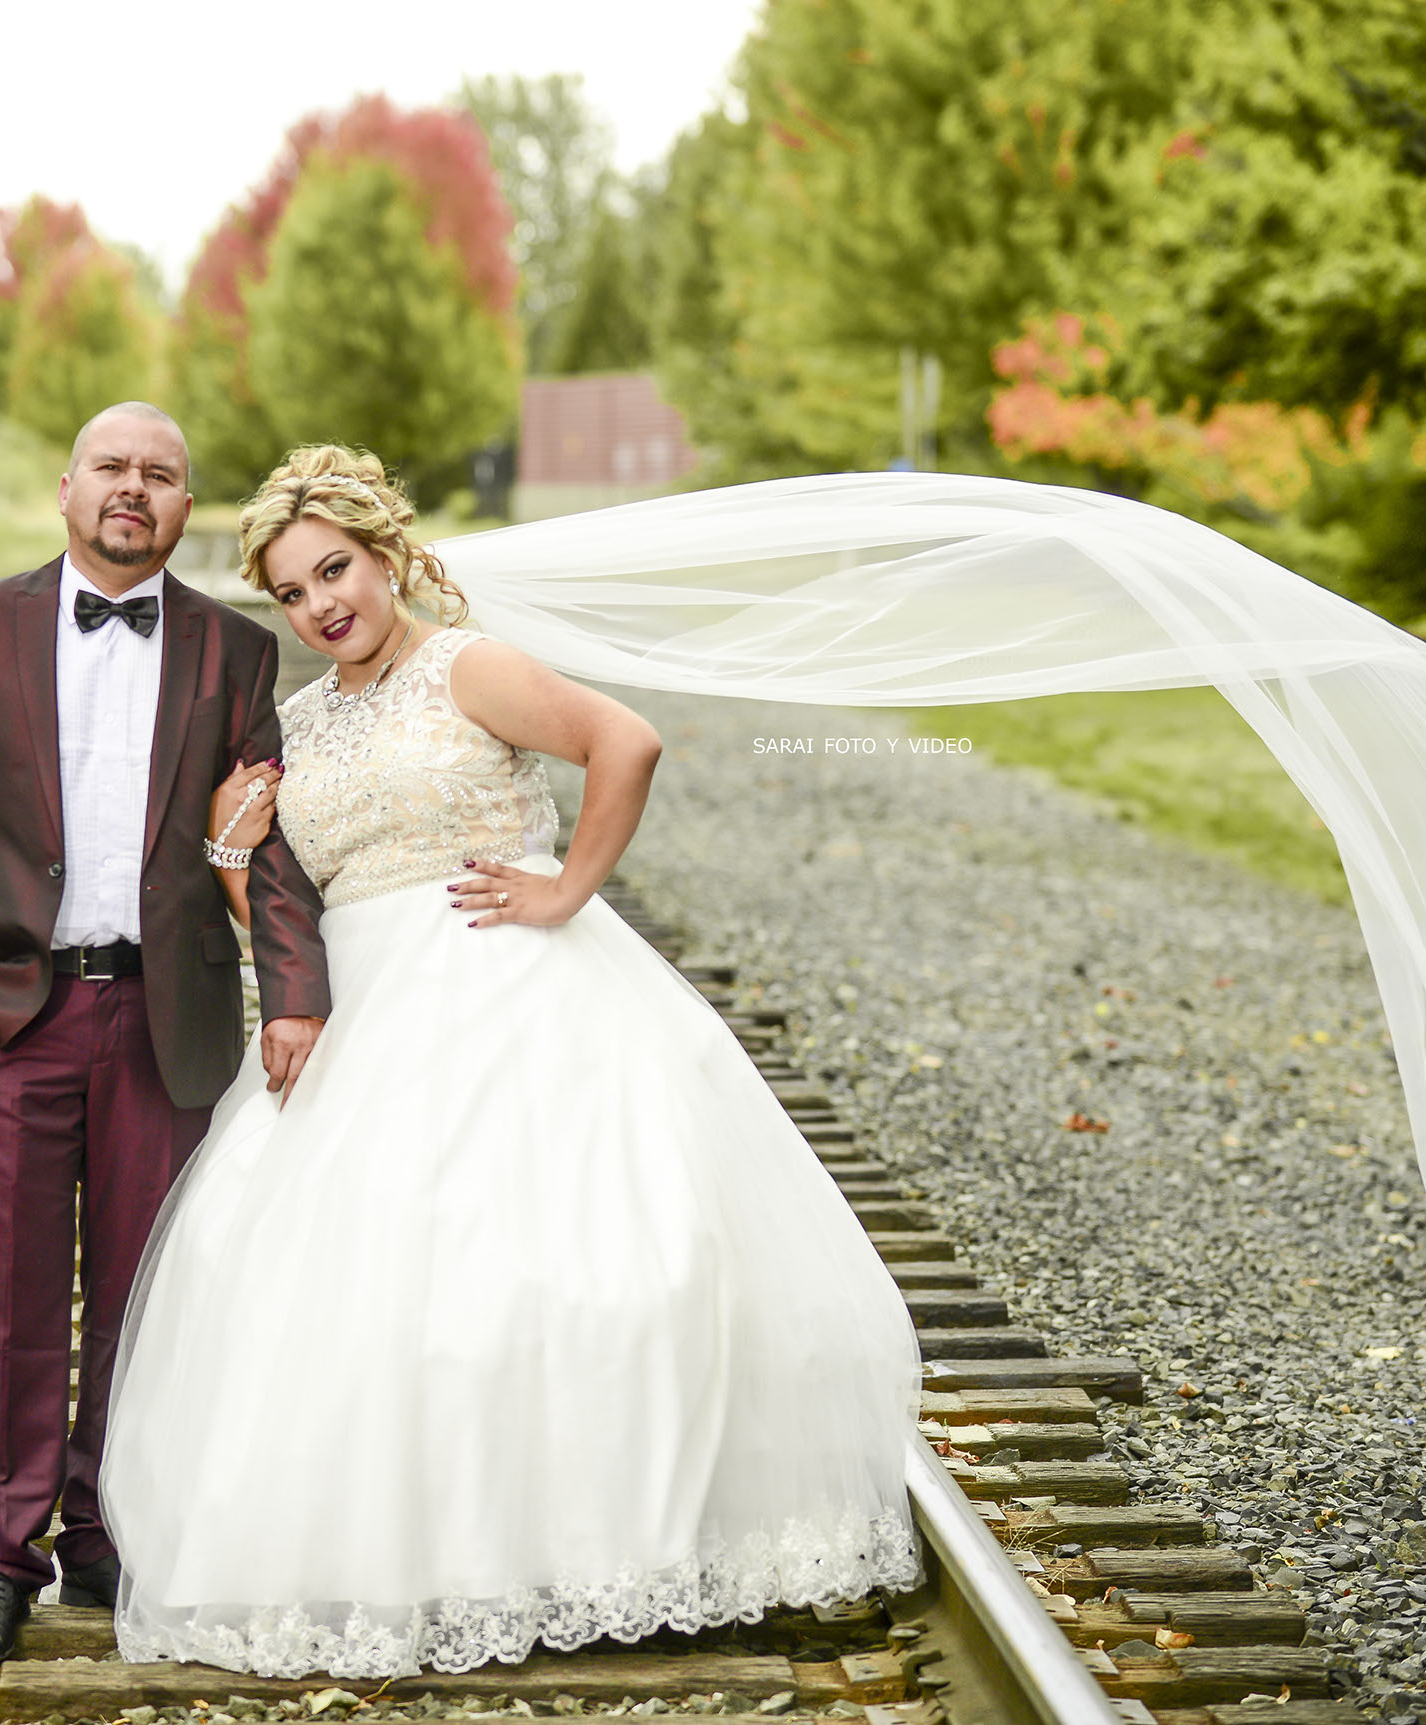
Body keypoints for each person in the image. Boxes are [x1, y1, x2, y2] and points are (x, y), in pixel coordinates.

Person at [100, 446, 923, 1679]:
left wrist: (566, 888)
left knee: (569, 1265)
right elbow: (278, 908)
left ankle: (611, 1546)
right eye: (292, 592)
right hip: (367, 1008)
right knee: (349, 1291)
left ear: (386, 557)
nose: (322, 605)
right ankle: (430, 1555)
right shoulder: (297, 725)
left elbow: (624, 742)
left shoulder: (467, 667)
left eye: (336, 570)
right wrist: (231, 848)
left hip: (509, 981)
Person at [0, 404, 332, 1668]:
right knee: (4, 1295)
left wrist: (293, 987)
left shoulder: (235, 651)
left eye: (159, 475)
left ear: (186, 508)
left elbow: (264, 838)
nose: (134, 488)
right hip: (5, 1013)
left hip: (168, 1015)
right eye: (112, 469)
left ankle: (106, 1532)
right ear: (67, 488)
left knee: (144, 1289)